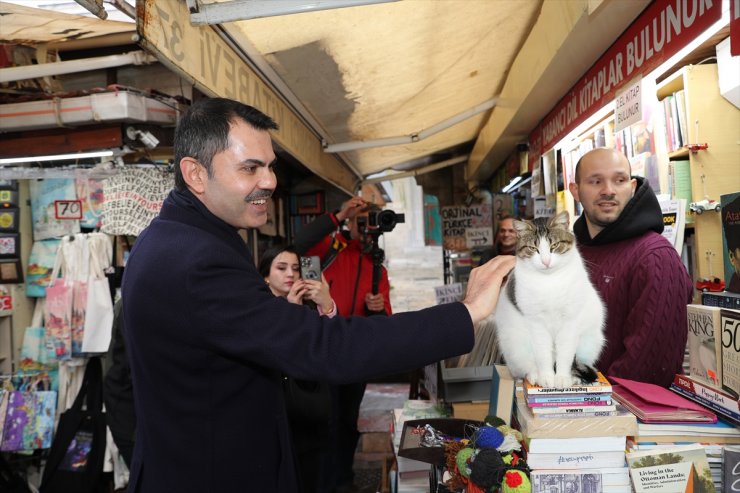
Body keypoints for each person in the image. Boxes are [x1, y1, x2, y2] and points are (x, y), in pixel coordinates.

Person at [121, 97, 515, 492]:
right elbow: (325, 347)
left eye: (270, 166)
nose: (270, 181)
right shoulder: (195, 259)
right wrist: (465, 314)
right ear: (195, 174)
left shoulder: (178, 240)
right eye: (250, 168)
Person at [568, 147, 693, 387]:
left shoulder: (656, 258)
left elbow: (648, 369)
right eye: (595, 181)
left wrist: (590, 403)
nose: (608, 191)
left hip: (621, 418)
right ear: (576, 190)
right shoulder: (573, 253)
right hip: (569, 407)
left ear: (632, 187)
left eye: (620, 180)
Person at [293, 197, 391, 493]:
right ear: (350, 223)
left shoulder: (378, 269)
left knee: (347, 421)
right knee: (323, 419)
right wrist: (339, 215)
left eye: (369, 221)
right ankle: (316, 481)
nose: (365, 227)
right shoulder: (328, 251)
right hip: (319, 348)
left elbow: (385, 320)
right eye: (359, 221)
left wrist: (376, 307)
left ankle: (342, 479)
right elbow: (300, 244)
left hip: (353, 355)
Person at [258, 244, 335, 493]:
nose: (290, 274)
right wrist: (292, 311)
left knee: (313, 473)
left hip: (310, 410)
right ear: (266, 276)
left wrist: (328, 305)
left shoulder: (309, 304)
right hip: (275, 412)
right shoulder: (259, 308)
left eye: (295, 268)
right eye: (281, 268)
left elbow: (331, 346)